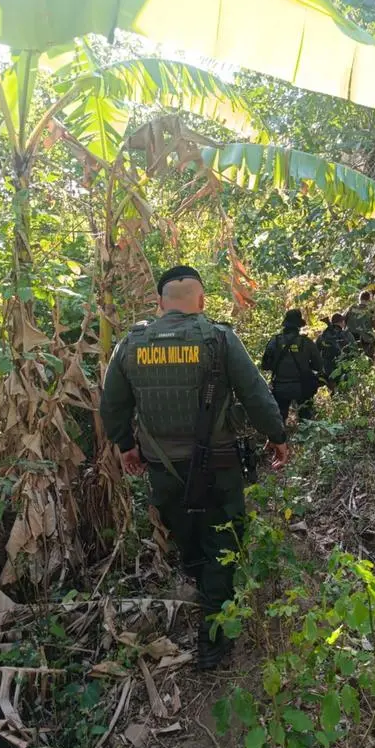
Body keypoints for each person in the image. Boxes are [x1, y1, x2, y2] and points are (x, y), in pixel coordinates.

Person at [100, 265, 290, 670]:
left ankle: (203, 587)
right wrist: (277, 435)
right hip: (218, 467)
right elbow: (255, 394)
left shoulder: (131, 344)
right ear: (201, 301)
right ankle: (213, 635)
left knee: (186, 534)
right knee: (222, 540)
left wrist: (126, 446)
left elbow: (112, 404)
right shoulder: (219, 339)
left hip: (163, 470)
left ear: (159, 303)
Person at [261, 309, 324, 422]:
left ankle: (279, 432)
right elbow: (318, 366)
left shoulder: (275, 341)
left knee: (279, 420)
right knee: (306, 420)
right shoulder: (306, 342)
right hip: (302, 388)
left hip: (280, 387)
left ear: (285, 325)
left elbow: (265, 365)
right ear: (298, 326)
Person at [317, 313, 356, 390]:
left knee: (335, 392)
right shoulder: (346, 334)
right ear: (342, 322)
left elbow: (316, 354)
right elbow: (355, 352)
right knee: (347, 391)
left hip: (329, 372)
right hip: (345, 370)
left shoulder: (322, 337)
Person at [345, 290, 375, 360]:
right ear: (369, 300)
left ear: (359, 299)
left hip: (352, 339)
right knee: (369, 361)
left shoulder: (352, 308)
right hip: (366, 340)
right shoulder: (370, 311)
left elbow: (343, 321)